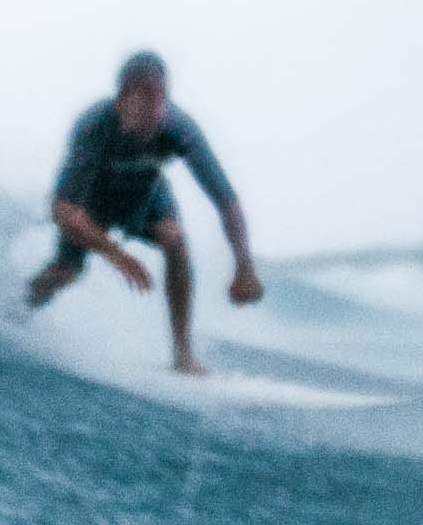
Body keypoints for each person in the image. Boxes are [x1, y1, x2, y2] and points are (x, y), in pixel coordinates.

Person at [27, 49, 262, 372]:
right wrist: (116, 254)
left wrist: (244, 267)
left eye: (161, 96)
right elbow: (63, 209)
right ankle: (17, 311)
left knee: (175, 241)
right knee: (66, 272)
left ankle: (183, 355)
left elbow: (226, 200)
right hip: (93, 205)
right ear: (122, 100)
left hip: (144, 198)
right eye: (146, 97)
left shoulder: (180, 129)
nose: (156, 108)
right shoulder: (94, 125)